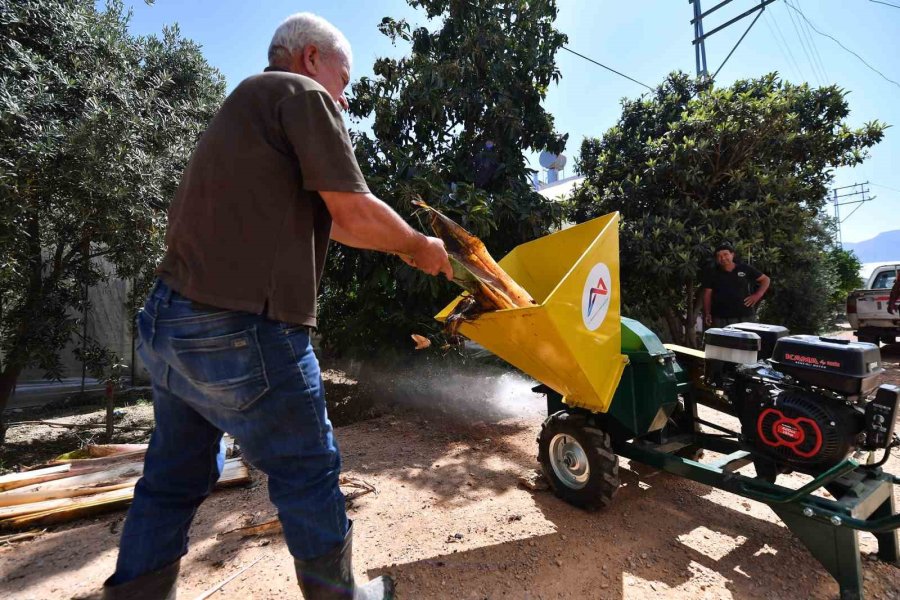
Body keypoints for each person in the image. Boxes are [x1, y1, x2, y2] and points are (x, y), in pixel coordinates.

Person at [102, 13, 452, 600]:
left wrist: (398, 244)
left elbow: (338, 224)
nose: (344, 98)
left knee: (172, 478)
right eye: (344, 80)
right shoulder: (301, 92)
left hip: (169, 322)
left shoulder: (244, 109)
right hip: (244, 327)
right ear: (311, 57)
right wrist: (420, 247)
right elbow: (353, 210)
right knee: (308, 469)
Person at [702, 242, 770, 329]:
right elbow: (707, 294)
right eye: (719, 256)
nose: (723, 258)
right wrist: (707, 313)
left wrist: (758, 295)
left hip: (745, 315)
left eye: (725, 254)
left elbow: (765, 279)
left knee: (748, 337)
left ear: (732, 255)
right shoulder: (712, 273)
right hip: (721, 317)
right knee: (723, 338)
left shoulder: (744, 268)